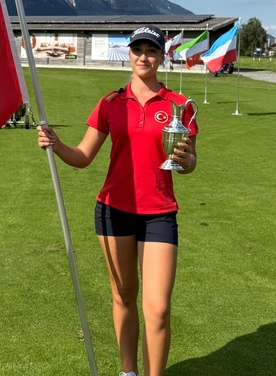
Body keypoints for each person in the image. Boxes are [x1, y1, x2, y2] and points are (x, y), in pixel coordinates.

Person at [37, 25, 198, 376]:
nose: (144, 56)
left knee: (157, 308)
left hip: (158, 213)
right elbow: (83, 156)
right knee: (124, 295)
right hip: (113, 211)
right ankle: (128, 372)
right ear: (129, 54)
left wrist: (187, 162)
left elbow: (188, 161)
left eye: (151, 50)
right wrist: (56, 143)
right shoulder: (110, 103)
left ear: (161, 56)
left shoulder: (179, 106)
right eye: (138, 49)